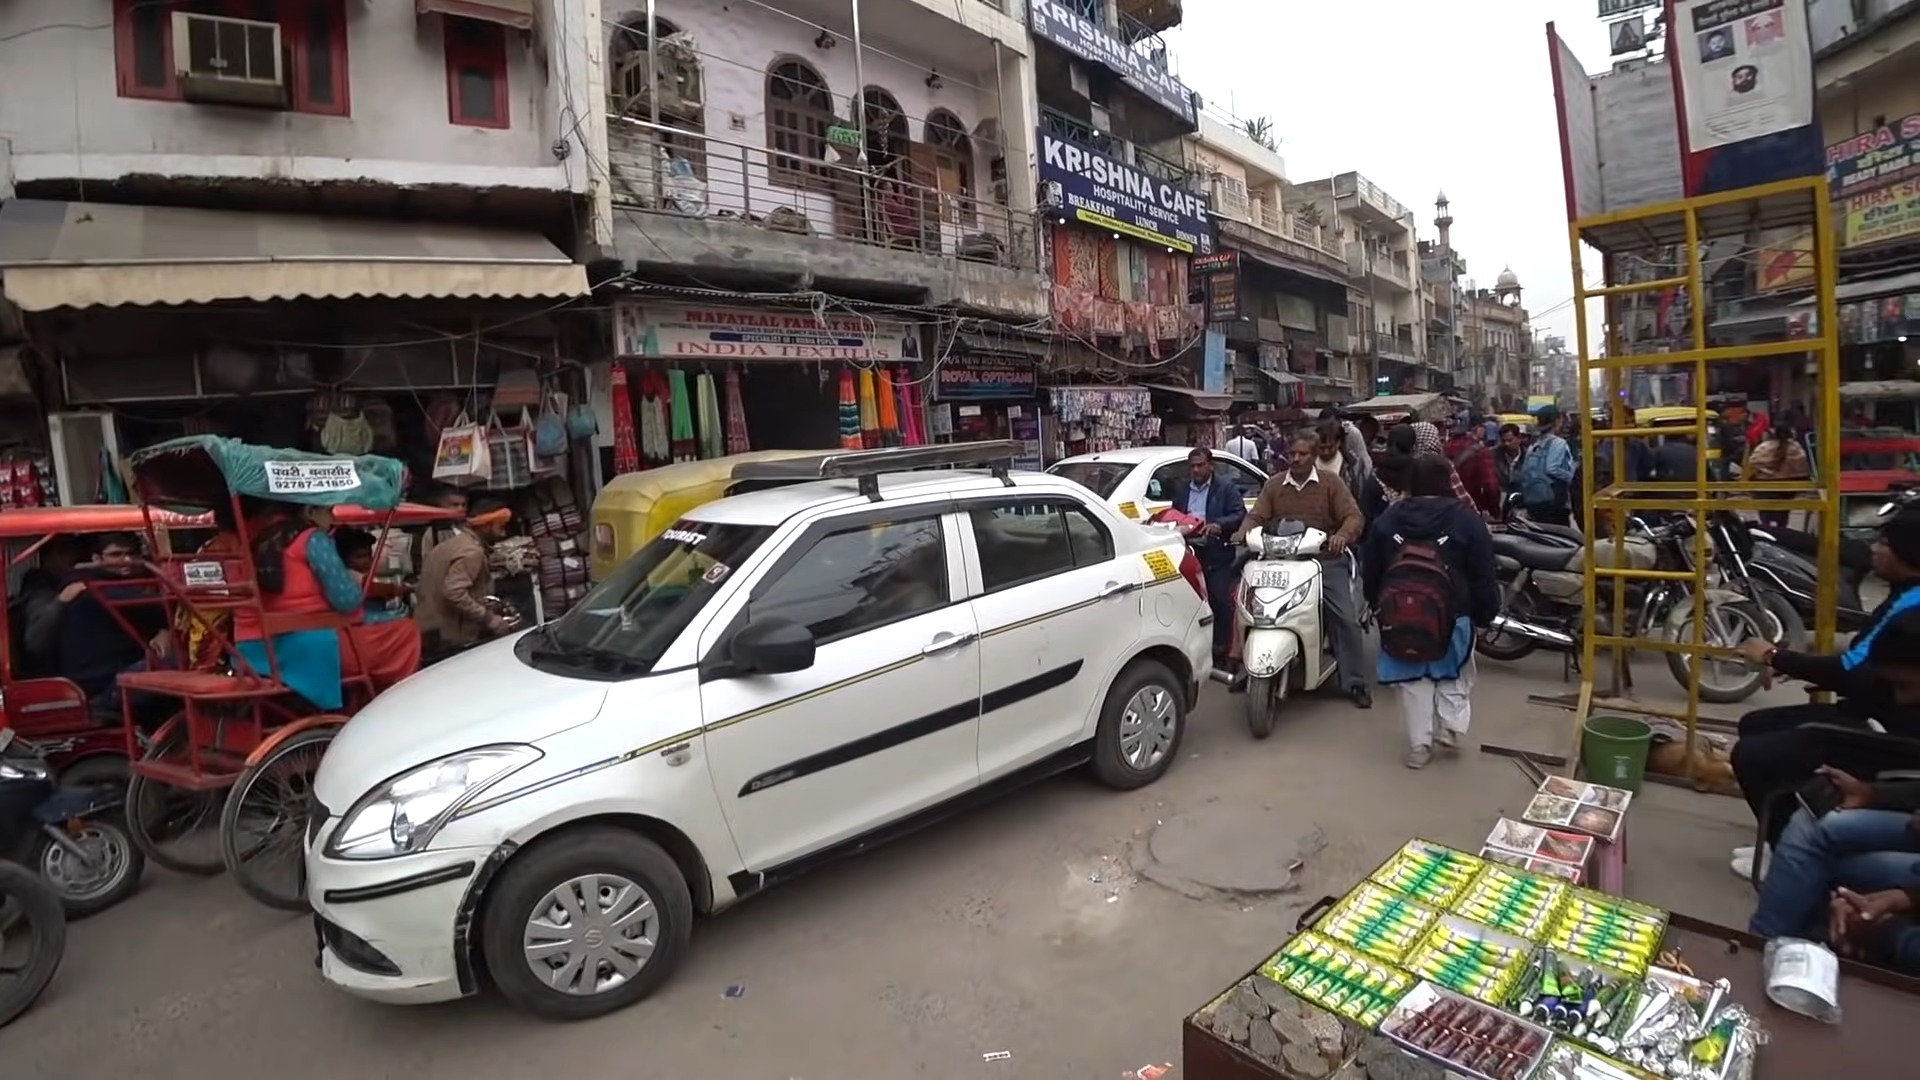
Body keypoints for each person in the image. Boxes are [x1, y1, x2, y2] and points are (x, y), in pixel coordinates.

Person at [1727, 506, 1920, 878]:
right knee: (1756, 724)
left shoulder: (1911, 605)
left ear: (1908, 554)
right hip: (1876, 709)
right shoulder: (1905, 595)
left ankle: (1787, 854)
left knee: (1753, 755)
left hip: (1886, 732)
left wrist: (1774, 655)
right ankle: (1780, 832)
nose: (1875, 550)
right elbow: (1868, 670)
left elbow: (1855, 670)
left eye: (1884, 543)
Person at [1363, 455, 1499, 769]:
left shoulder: (1389, 518)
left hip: (1399, 615)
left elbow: (1372, 567)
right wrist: (1485, 615)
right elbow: (1483, 572)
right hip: (1456, 613)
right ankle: (1450, 727)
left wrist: (1375, 604)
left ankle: (1418, 745)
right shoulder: (1466, 519)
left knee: (1413, 679)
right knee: (1456, 671)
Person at [233, 504, 422, 710]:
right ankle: (398, 707)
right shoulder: (313, 538)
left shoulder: (254, 538)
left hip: (253, 647)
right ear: (310, 511)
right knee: (406, 629)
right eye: (328, 511)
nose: (332, 518)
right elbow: (347, 600)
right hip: (310, 643)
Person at [1236, 432, 1370, 708]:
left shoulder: (1330, 484)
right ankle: (1245, 666)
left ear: (1313, 457)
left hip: (1324, 559)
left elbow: (1353, 516)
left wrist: (1342, 536)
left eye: (1302, 454)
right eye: (1292, 454)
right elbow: (1256, 515)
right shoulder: (1274, 485)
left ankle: (1354, 681)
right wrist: (1243, 532)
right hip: (1277, 557)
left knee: (1343, 616)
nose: (1296, 459)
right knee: (1245, 602)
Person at [52, 533, 167, 709]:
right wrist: (166, 625)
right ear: (96, 558)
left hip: (116, 666)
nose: (127, 560)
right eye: (116, 554)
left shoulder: (127, 582)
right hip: (100, 677)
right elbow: (150, 607)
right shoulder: (84, 583)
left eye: (132, 554)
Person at [1167, 448, 1247, 666]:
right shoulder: (1183, 490)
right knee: (1191, 603)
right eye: (1192, 466)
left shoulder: (1225, 488)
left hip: (1216, 552)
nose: (1196, 470)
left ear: (1210, 465)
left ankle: (1224, 650)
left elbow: (1239, 515)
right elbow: (1175, 514)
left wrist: (1218, 525)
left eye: (1200, 465)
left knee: (1220, 601)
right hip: (1190, 550)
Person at [418, 499, 515, 651]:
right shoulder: (471, 552)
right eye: (500, 526)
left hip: (431, 630)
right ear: (485, 525)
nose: (504, 532)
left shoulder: (450, 545)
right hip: (450, 638)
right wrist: (488, 618)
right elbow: (453, 592)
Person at [13, 537, 84, 679]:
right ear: (47, 558)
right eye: (64, 552)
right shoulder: (37, 591)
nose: (73, 557)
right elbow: (36, 643)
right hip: (51, 675)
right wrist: (60, 601)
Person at [335, 528, 414, 625]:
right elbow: (372, 589)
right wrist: (396, 589)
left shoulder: (361, 574)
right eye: (359, 557)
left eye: (369, 555)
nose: (366, 560)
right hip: (363, 617)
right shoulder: (350, 574)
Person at [1744, 425, 1810, 529]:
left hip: (1763, 488)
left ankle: (1767, 531)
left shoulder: (1763, 447)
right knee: (1783, 513)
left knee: (1765, 513)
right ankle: (1781, 531)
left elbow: (1752, 466)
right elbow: (1803, 469)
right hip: (1787, 489)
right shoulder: (1796, 447)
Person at [1518, 406, 1576, 525]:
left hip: (1533, 501)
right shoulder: (1558, 443)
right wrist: (1572, 478)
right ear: (1556, 421)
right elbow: (1552, 468)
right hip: (1553, 500)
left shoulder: (1535, 444)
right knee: (1561, 537)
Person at [1445, 419, 1501, 516]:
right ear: (1477, 428)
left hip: (1446, 508)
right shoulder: (1481, 452)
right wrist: (1494, 509)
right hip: (1471, 507)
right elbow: (1491, 485)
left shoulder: (1444, 447)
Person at [1315, 419, 1370, 497]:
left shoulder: (1353, 465)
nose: (1326, 452)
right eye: (1322, 448)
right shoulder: (1308, 463)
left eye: (1330, 447)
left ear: (1338, 443)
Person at [1493, 424, 1527, 507]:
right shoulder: (1493, 455)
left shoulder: (1529, 456)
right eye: (1503, 441)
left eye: (1509, 440)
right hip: (1499, 500)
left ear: (1519, 438)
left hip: (1522, 500)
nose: (1506, 444)